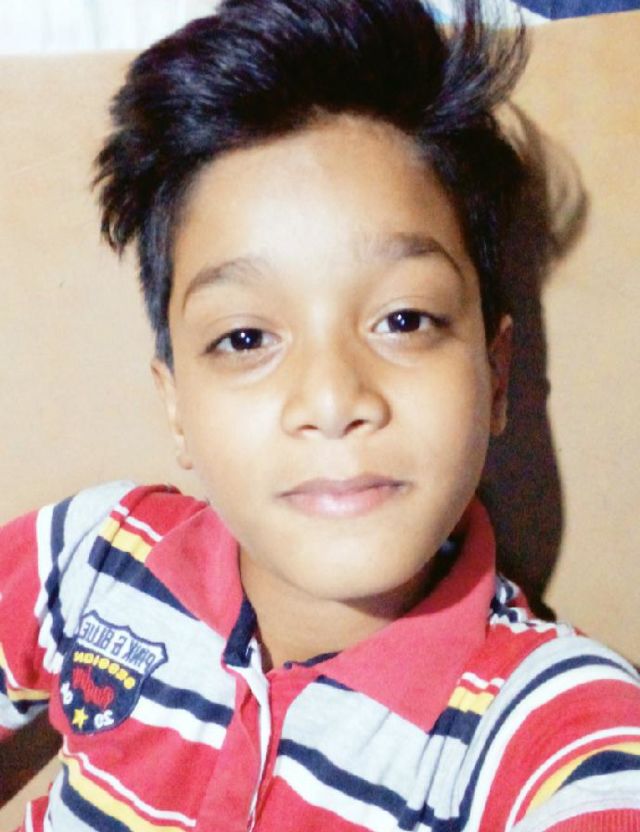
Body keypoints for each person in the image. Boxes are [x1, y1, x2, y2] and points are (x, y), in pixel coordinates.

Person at [1, 0, 639, 829]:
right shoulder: (91, 557)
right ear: (176, 404)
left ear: (496, 374)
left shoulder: (554, 730)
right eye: (244, 338)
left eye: (404, 320)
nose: (334, 400)